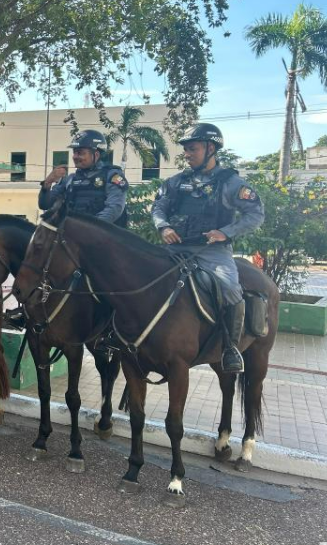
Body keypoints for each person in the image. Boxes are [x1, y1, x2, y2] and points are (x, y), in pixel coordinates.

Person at [152, 123, 264, 373]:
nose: (187, 154)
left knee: (231, 288)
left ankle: (230, 348)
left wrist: (225, 232)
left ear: (210, 148)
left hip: (213, 253)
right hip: (175, 249)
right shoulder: (176, 182)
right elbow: (158, 207)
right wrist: (163, 227)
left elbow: (255, 214)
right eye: (186, 150)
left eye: (192, 148)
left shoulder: (231, 183)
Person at [38, 129, 128, 225]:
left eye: (80, 153)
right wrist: (47, 183)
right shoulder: (70, 179)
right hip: (76, 235)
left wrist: (90, 227)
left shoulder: (112, 175)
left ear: (96, 155)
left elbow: (115, 207)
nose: (75, 157)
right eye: (74, 152)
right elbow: (44, 205)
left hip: (105, 236)